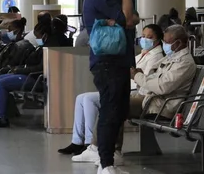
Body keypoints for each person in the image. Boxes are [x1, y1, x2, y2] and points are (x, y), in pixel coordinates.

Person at [59, 23, 162, 160]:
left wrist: (133, 75)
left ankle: (91, 143)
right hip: (125, 86)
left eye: (150, 37)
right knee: (81, 98)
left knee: (90, 100)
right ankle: (77, 141)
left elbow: (144, 78)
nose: (145, 39)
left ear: (158, 39)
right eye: (143, 36)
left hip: (133, 90)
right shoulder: (143, 53)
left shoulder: (156, 56)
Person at [83, 0, 136, 174]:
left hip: (120, 60)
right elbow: (127, 18)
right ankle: (105, 164)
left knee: (119, 112)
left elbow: (130, 18)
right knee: (110, 111)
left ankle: (108, 161)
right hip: (107, 63)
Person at [0, 18, 66, 128]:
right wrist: (17, 68)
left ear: (44, 35)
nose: (36, 38)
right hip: (26, 74)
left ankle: (3, 118)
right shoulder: (41, 47)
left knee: (0, 84)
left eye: (37, 36)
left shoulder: (49, 48)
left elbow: (40, 67)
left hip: (34, 78)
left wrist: (20, 70)